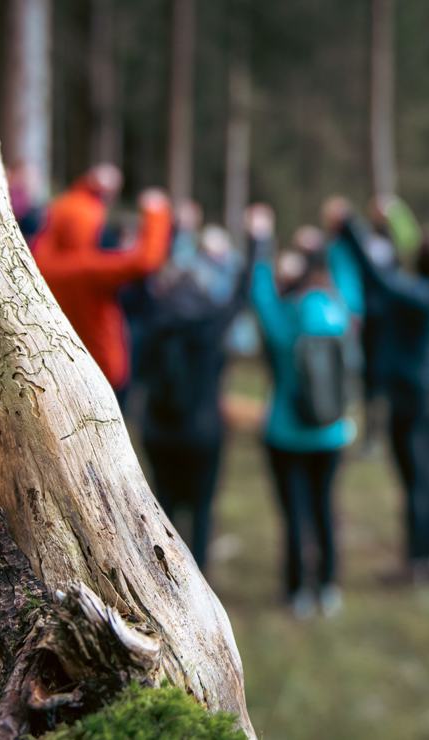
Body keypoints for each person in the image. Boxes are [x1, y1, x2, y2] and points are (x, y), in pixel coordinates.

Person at [327, 198, 429, 584]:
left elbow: (374, 276)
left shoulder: (417, 297)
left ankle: (417, 563)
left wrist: (348, 226)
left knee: (415, 478)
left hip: (412, 398)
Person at [138, 208, 261, 570]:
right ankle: (199, 576)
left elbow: (141, 273)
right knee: (202, 508)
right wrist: (256, 240)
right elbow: (242, 294)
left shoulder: (154, 321)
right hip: (204, 431)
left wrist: (168, 225)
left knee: (165, 505)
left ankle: (165, 574)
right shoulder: (212, 321)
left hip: (159, 431)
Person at [252, 213, 357, 618]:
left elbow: (258, 293)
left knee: (295, 513)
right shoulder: (340, 309)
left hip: (286, 432)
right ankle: (328, 587)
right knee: (325, 507)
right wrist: (334, 235)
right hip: (333, 431)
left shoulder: (284, 318)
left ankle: (297, 590)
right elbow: (348, 272)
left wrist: (259, 242)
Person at [32, 164, 172, 398]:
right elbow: (147, 260)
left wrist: (90, 186)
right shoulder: (89, 268)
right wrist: (156, 211)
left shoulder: (43, 265)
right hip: (101, 369)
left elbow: (57, 221)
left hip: (58, 367)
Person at [356, 194, 425, 456]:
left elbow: (413, 241)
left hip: (392, 319)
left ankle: (392, 432)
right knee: (370, 378)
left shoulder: (396, 241)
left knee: (390, 377)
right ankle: (372, 435)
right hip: (370, 318)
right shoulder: (366, 240)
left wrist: (396, 212)